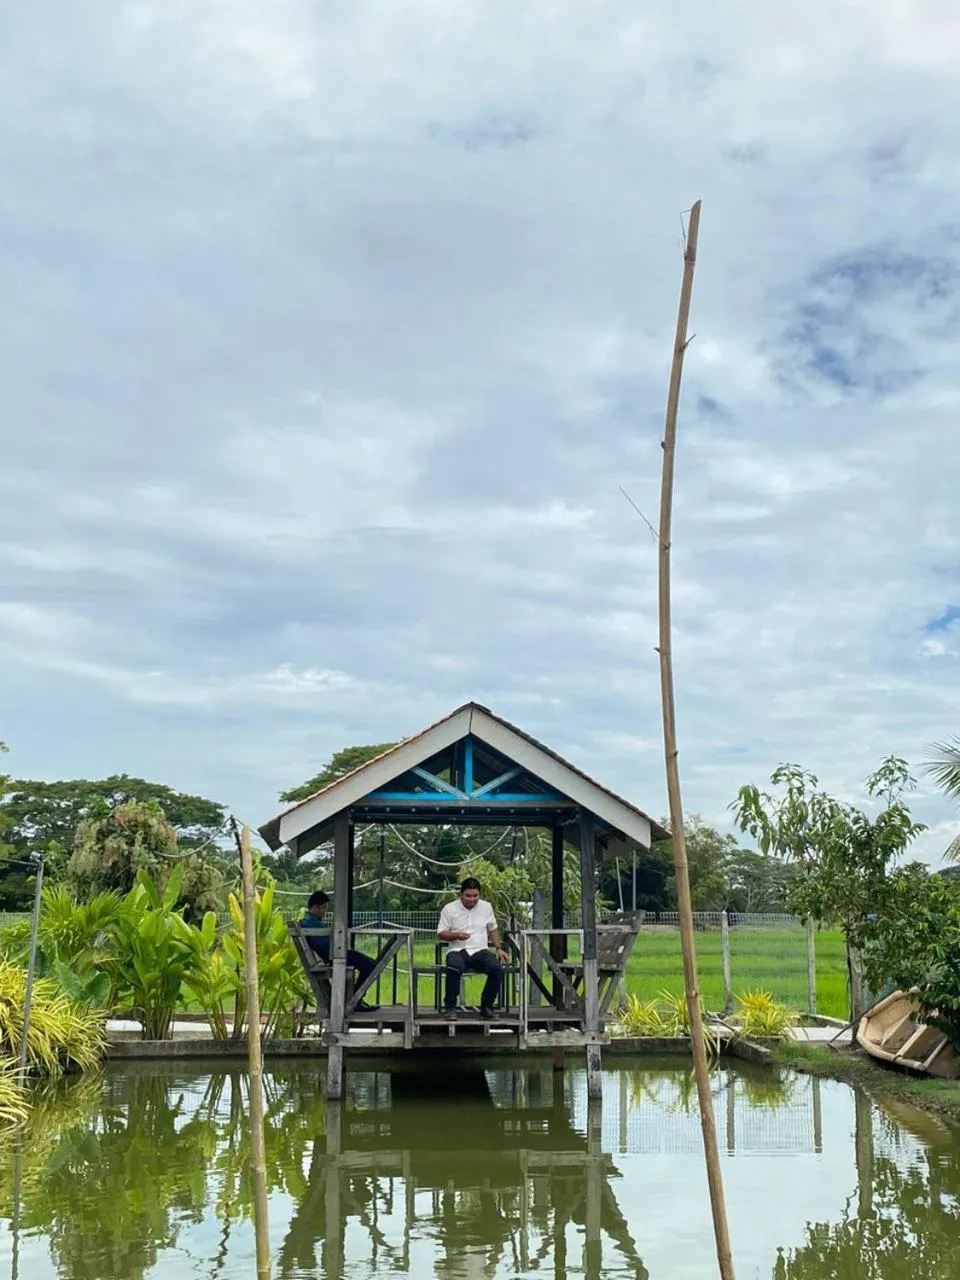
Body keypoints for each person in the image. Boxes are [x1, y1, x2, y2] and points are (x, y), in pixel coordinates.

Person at [437, 877, 509, 1020]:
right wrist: (456, 935)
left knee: (496, 969)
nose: (472, 899)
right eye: (468, 896)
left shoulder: (486, 907)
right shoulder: (449, 909)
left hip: (479, 951)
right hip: (457, 950)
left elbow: (493, 928)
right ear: (461, 894)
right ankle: (450, 1007)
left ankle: (487, 1007)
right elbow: (441, 933)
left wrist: (498, 948)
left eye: (475, 896)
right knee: (453, 967)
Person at [299, 890, 379, 1012]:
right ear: (315, 907)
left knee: (371, 964)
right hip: (334, 956)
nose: (325, 912)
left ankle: (355, 999)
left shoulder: (309, 922)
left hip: (332, 955)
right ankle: (355, 1000)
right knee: (370, 965)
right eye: (324, 908)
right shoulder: (311, 923)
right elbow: (325, 944)